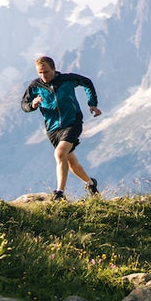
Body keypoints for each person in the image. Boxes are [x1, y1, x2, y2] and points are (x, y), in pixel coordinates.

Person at [20, 55, 103, 200]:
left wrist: (92, 103)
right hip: (52, 129)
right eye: (40, 72)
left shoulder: (67, 79)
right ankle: (90, 184)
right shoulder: (35, 86)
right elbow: (24, 105)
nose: (43, 76)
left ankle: (59, 193)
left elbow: (87, 83)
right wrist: (32, 105)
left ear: (53, 68)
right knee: (71, 162)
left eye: (46, 72)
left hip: (72, 122)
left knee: (59, 154)